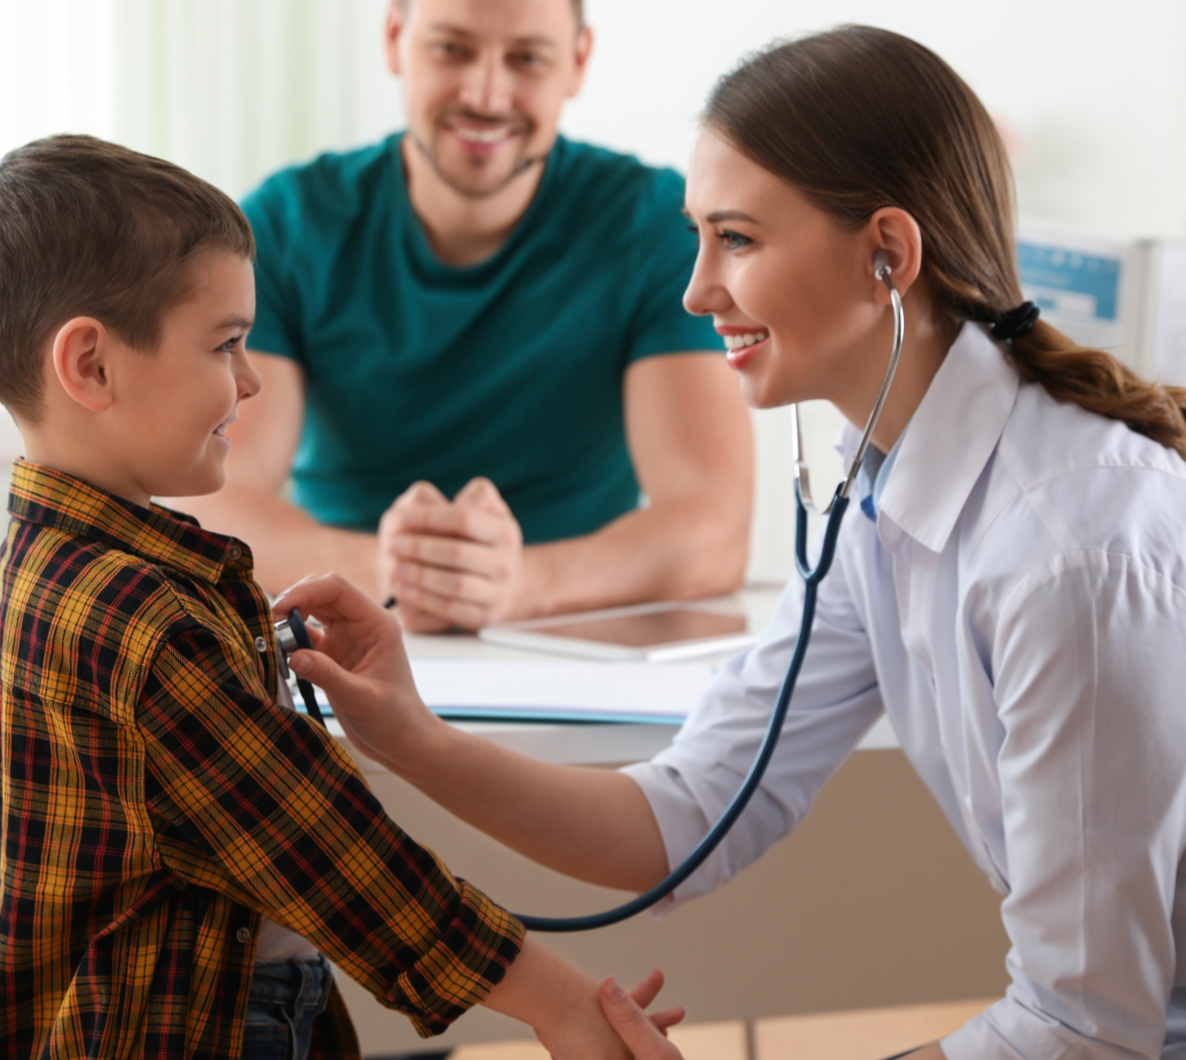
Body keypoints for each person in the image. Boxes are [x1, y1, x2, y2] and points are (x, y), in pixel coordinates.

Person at [276, 27, 1186, 1060]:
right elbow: (681, 823)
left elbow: (1074, 1029)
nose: (694, 291)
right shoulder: (884, 497)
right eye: (696, 237)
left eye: (736, 239)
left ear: (886, 254)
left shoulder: (1072, 551)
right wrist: (409, 736)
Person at [0, 133, 672, 1060]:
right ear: (91, 366)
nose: (249, 381)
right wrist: (562, 1002)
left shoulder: (36, 582)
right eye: (226, 345)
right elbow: (341, 861)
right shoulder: (150, 630)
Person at [174, 0, 753, 634]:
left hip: (566, 636)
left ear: (577, 62)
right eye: (452, 48)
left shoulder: (654, 224)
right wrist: (395, 574)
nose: (485, 94)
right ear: (395, 39)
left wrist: (519, 585)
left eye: (527, 58)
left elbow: (713, 528)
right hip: (340, 629)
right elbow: (210, 497)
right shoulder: (291, 224)